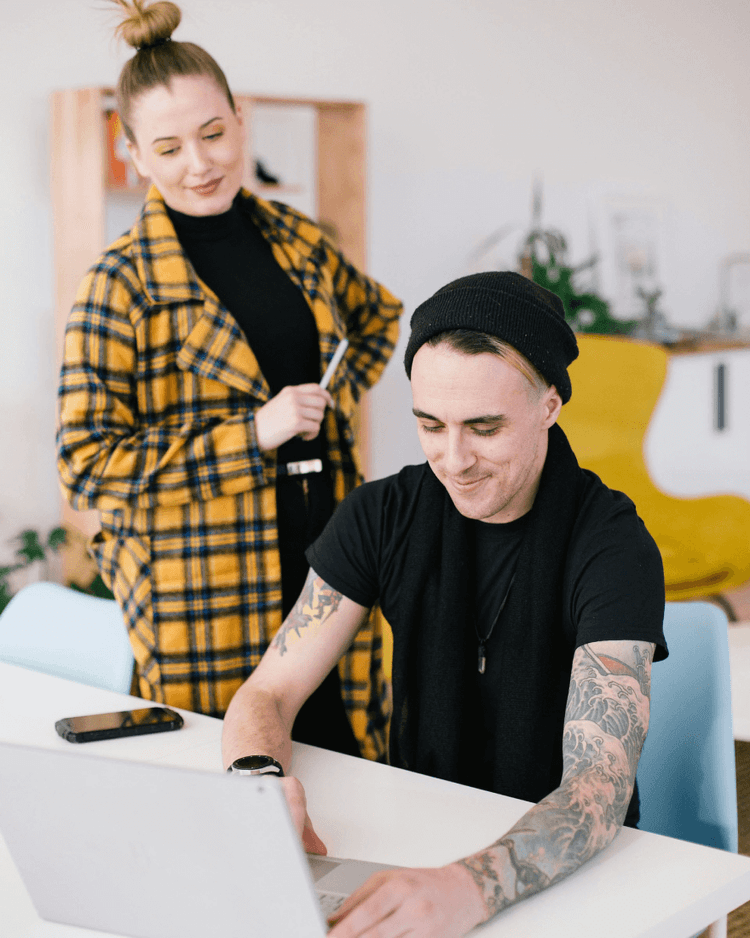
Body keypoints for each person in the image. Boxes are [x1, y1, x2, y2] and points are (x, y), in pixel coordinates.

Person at [222, 271, 667, 937]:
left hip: (573, 873)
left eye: (484, 428)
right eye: (430, 425)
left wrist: (471, 887)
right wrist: (259, 781)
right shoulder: (383, 514)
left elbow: (597, 790)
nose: (452, 459)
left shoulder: (612, 543)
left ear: (550, 405)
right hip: (420, 834)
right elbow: (268, 693)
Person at [56, 0, 403, 762]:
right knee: (230, 786)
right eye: (170, 146)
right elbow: (85, 465)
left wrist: (328, 407)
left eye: (213, 134)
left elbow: (377, 318)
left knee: (353, 763)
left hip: (329, 550)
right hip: (200, 588)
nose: (199, 163)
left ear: (241, 122)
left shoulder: (295, 236)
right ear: (135, 155)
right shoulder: (117, 284)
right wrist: (252, 435)